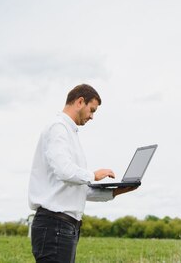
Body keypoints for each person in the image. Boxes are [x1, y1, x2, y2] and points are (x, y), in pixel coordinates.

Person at [28, 84, 137, 262]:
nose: (92, 117)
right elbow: (65, 171)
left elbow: (76, 188)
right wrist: (94, 175)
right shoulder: (58, 128)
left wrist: (115, 191)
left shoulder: (69, 132)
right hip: (54, 225)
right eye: (92, 110)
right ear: (80, 101)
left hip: (64, 227)